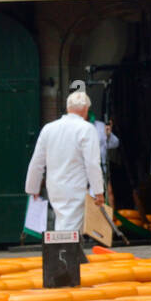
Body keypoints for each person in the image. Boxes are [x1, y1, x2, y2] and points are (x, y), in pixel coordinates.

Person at [24, 92, 103, 234]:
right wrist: (98, 191)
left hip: (54, 187)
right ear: (86, 110)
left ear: (67, 108)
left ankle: (63, 254)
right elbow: (92, 164)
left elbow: (37, 162)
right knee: (69, 230)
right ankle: (63, 255)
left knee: (63, 224)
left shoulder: (49, 128)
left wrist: (33, 187)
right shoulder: (86, 129)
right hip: (75, 187)